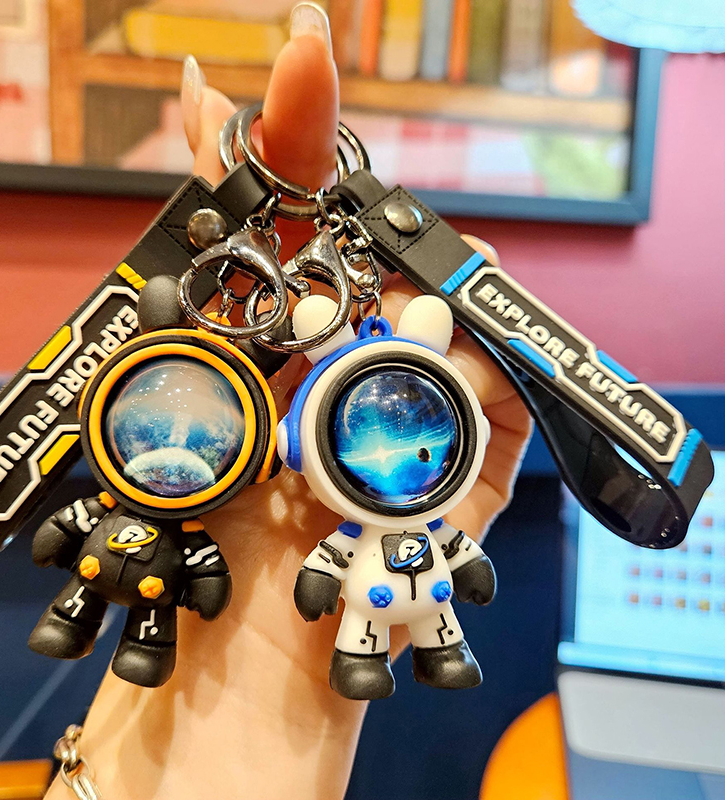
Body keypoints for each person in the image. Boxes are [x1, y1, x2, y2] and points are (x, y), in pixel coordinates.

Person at [44, 4, 532, 798]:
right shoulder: (180, 464)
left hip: (390, 588)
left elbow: (350, 564)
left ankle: (436, 651)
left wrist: (273, 690)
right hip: (182, 570)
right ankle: (90, 624)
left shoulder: (388, 485)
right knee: (128, 607)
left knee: (426, 621)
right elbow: (256, 565)